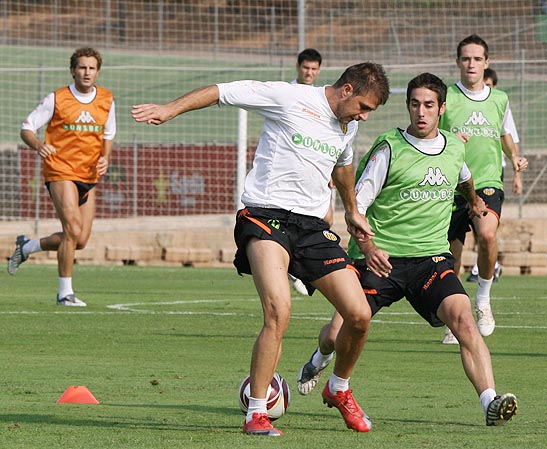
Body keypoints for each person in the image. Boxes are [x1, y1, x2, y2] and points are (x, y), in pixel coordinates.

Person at [131, 62, 390, 436]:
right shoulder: (289, 96)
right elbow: (221, 91)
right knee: (278, 312)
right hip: (266, 217)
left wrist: (351, 210)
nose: (364, 116)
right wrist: (170, 109)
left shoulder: (347, 126)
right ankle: (256, 413)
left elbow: (343, 164)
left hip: (312, 228)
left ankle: (338, 388)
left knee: (360, 315)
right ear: (347, 89)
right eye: (363, 107)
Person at [296, 73, 518, 427]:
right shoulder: (389, 148)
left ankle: (490, 401)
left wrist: (474, 201)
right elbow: (357, 208)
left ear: (442, 109)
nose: (421, 112)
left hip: (431, 260)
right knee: (336, 335)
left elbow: (463, 178)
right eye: (415, 104)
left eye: (429, 105)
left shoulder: (454, 146)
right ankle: (319, 358)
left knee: (464, 321)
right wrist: (368, 247)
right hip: (381, 260)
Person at [7, 47, 116, 307]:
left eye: (91, 68)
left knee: (80, 240)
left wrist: (105, 157)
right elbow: (27, 128)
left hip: (88, 173)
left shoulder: (107, 99)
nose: (87, 72)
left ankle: (28, 247)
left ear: (97, 72)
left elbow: (108, 133)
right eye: (82, 67)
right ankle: (64, 294)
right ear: (72, 71)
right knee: (72, 229)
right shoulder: (57, 98)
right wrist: (38, 145)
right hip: (60, 169)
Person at [439, 35, 528, 344]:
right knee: (451, 255)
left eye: (477, 59)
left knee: (487, 235)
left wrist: (513, 157)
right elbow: (430, 131)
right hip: (451, 183)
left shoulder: (499, 98)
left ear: (486, 62)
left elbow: (504, 133)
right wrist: (450, 140)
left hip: (487, 181)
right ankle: (453, 316)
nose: (471, 64)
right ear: (457, 62)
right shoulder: (446, 96)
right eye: (466, 58)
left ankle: (483, 299)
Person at [466, 67, 522, 283]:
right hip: (461, 177)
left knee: (487, 232)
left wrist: (517, 174)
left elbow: (510, 141)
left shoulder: (499, 103)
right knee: (468, 234)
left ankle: (487, 272)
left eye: (489, 85)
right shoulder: (456, 100)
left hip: (491, 176)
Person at [287, 48, 325, 296]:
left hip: (315, 167)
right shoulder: (287, 94)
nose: (309, 73)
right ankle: (292, 263)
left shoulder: (320, 98)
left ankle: (297, 263)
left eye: (313, 69)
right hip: (291, 169)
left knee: (325, 217)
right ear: (298, 68)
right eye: (305, 68)